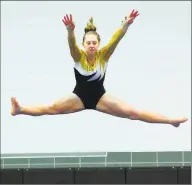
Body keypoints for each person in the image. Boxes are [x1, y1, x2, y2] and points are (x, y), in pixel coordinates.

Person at [11, 10, 188, 127]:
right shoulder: (78, 56)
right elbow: (71, 44)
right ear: (83, 44)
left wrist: (125, 25)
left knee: (133, 113)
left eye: (94, 42)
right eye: (88, 43)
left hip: (100, 98)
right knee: (50, 108)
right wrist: (70, 31)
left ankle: (170, 120)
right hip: (78, 97)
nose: (92, 45)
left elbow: (115, 40)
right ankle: (20, 110)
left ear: (98, 44)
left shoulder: (104, 55)